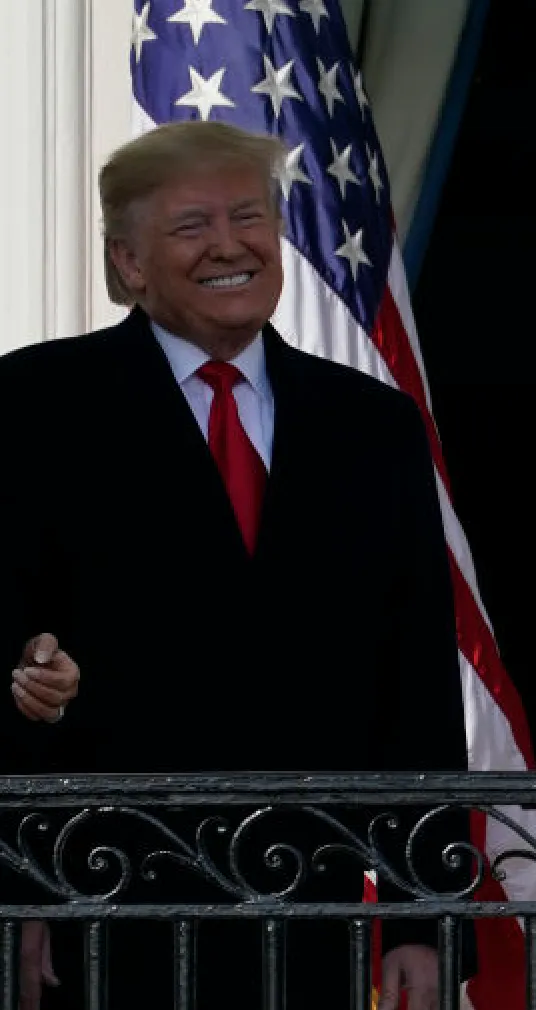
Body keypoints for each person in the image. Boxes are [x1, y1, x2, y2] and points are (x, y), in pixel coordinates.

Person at [0, 120, 470, 1009]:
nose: (230, 246)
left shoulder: (371, 427)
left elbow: (415, 690)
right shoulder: (30, 408)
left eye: (249, 217)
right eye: (191, 227)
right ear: (129, 263)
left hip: (307, 914)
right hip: (94, 916)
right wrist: (15, 891)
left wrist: (421, 918)